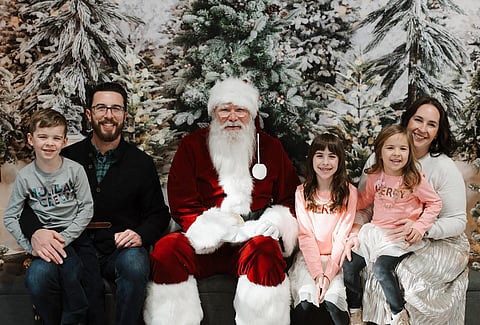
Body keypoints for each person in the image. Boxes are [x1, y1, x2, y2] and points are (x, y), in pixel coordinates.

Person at [143, 77, 300, 325]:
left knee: (267, 251)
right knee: (166, 251)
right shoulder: (192, 145)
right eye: (224, 109)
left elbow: (290, 197)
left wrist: (275, 222)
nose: (232, 117)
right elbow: (181, 199)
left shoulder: (270, 147)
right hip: (204, 241)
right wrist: (212, 229)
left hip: (252, 237)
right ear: (214, 113)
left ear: (252, 114)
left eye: (240, 110)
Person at [19, 82, 171, 325]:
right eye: (101, 108)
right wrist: (36, 232)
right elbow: (27, 206)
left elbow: (158, 214)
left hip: (118, 250)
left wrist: (140, 235)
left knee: (134, 262)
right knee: (38, 275)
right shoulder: (65, 157)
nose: (108, 115)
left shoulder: (141, 163)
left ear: (124, 115)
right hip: (70, 246)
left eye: (115, 109)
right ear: (89, 114)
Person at [343, 97, 469, 325]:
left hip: (435, 236)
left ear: (438, 132)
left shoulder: (442, 167)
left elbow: (457, 220)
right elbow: (364, 204)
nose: (422, 128)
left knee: (406, 275)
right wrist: (354, 231)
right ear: (407, 121)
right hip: (382, 230)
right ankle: (360, 314)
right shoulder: (378, 162)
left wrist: (422, 228)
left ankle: (401, 317)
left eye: (431, 124)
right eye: (417, 120)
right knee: (354, 261)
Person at [3, 108, 94, 324]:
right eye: (43, 137)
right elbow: (10, 216)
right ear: (30, 139)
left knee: (72, 271)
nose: (49, 143)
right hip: (43, 237)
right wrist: (30, 246)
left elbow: (86, 208)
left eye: (56, 138)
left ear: (64, 141)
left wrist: (64, 239)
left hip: (71, 236)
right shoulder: (25, 177)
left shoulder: (75, 171)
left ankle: (75, 314)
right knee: (37, 278)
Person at [346, 125, 442, 325]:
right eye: (390, 148)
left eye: (403, 148)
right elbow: (364, 200)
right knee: (349, 266)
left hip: (398, 236)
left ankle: (398, 314)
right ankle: (355, 310)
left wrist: (420, 226)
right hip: (375, 231)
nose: (396, 154)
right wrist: (344, 206)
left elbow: (435, 203)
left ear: (410, 152)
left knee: (381, 269)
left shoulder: (414, 179)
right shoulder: (375, 176)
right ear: (380, 151)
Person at [288, 131, 357, 325]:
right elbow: (306, 235)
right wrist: (318, 274)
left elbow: (341, 236)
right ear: (311, 159)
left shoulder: (349, 192)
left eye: (331, 156)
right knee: (306, 300)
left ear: (339, 160)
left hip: (336, 261)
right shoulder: (301, 192)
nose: (325, 162)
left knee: (333, 301)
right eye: (320, 155)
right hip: (308, 260)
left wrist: (327, 276)